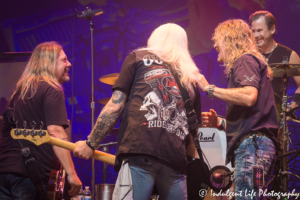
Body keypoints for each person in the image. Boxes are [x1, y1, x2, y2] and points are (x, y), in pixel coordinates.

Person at [74, 23, 201, 200]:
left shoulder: (138, 57)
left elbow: (115, 105)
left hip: (140, 150)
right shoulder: (191, 79)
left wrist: (90, 144)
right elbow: (192, 135)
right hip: (175, 161)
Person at [196, 19, 278, 199]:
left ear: (230, 39)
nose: (215, 44)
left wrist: (209, 89)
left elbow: (249, 97)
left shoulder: (245, 60)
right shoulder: (248, 62)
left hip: (253, 147)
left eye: (218, 39)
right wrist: (219, 123)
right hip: (256, 146)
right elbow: (252, 118)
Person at [0, 42, 82, 199]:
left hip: (4, 170)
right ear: (49, 63)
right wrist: (72, 175)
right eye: (64, 60)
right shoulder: (51, 88)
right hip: (28, 174)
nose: (69, 64)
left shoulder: (19, 91)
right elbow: (56, 133)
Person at [249, 11, 300, 121]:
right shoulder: (248, 55)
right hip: (249, 119)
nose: (256, 35)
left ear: (272, 29)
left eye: (259, 30)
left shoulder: (289, 55)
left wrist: (292, 108)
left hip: (275, 120)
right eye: (253, 31)